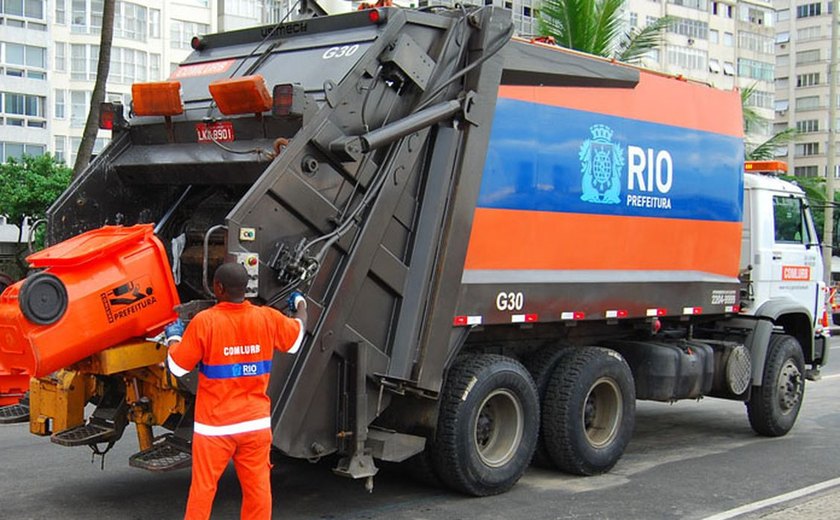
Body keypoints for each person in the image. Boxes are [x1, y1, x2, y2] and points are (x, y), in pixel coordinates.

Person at [164, 262, 307, 520]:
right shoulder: (266, 317)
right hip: (254, 424)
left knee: (203, 489)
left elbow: (177, 367)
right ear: (247, 288)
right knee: (258, 490)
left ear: (218, 288)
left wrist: (173, 337)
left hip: (215, 428)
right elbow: (297, 338)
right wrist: (300, 304)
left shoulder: (205, 322)